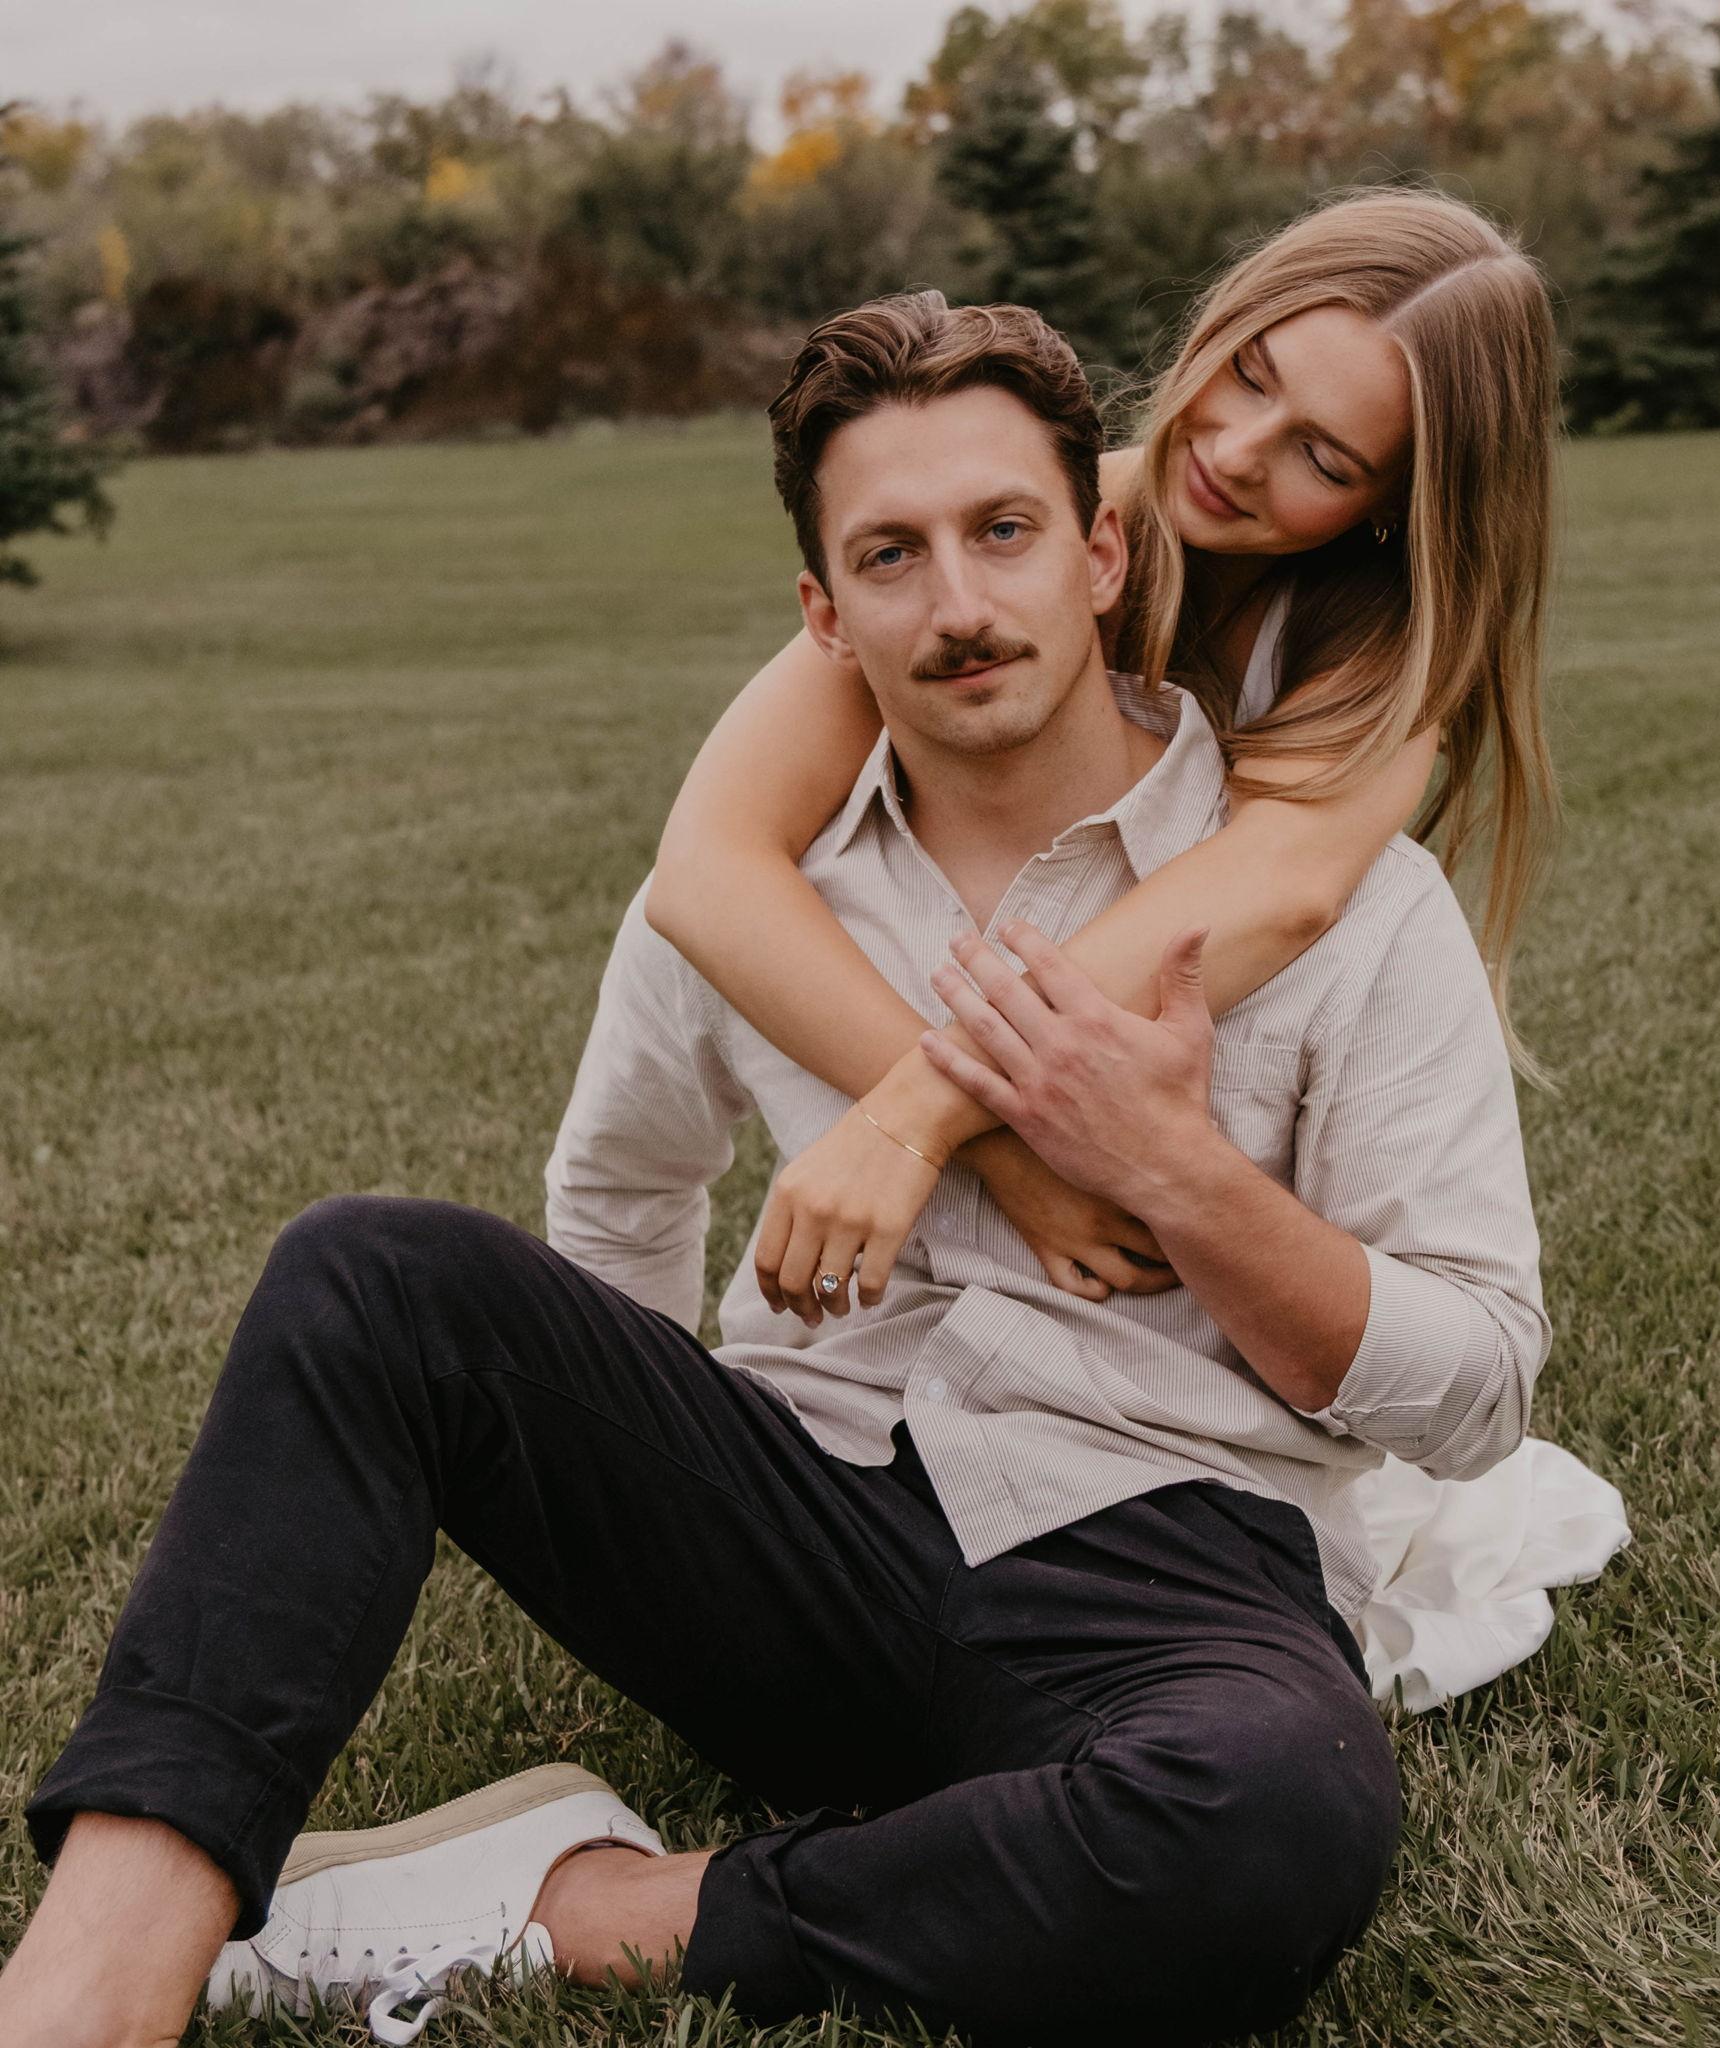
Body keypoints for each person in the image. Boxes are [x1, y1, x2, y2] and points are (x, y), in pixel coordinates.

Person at [4, 291, 1548, 2048]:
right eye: (890, 554)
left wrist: (1178, 1170)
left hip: (1166, 1563)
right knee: (369, 1273)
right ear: (823, 612)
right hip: (809, 1514)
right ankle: (89, 1985)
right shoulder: (759, 901)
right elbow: (621, 1197)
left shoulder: (1348, 909)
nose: (957, 606)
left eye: (1004, 532)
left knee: (1275, 1818)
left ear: (1104, 552)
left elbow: (1480, 1387)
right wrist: (647, 1497)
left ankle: (569, 1906)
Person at [645, 187, 1560, 1322]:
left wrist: (925, 1112)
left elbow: (1280, 890)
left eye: (1323, 459)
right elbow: (704, 870)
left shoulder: (1383, 659)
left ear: (1396, 504)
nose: (1234, 451)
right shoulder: (1020, 536)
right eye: (1248, 374)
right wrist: (985, 1146)